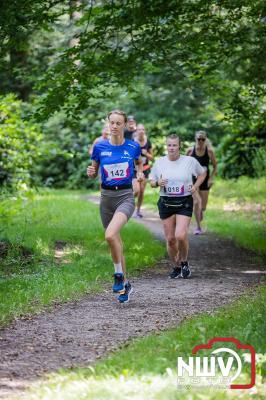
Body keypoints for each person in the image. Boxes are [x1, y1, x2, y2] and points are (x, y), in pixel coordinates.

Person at [87, 110, 144, 303]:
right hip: (106, 199)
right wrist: (91, 172)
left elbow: (139, 164)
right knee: (115, 241)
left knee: (110, 235)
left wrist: (139, 175)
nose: (114, 126)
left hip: (125, 197)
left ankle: (118, 275)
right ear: (108, 123)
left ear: (125, 125)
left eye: (118, 123)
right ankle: (126, 285)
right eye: (112, 122)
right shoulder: (99, 146)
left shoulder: (133, 146)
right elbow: (94, 171)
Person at [150, 134, 206, 279]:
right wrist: (158, 183)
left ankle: (184, 263)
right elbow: (151, 181)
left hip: (184, 201)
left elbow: (202, 173)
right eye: (169, 145)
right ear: (166, 146)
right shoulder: (160, 162)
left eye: (174, 145)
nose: (172, 148)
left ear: (179, 146)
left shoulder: (189, 161)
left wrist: (195, 186)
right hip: (166, 202)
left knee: (180, 235)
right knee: (170, 239)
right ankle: (176, 267)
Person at [186, 130, 217, 235]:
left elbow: (215, 166)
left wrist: (211, 179)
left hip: (205, 180)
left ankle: (201, 211)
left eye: (203, 139)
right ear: (195, 139)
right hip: (193, 179)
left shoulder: (209, 151)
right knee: (196, 202)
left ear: (205, 139)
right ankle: (198, 227)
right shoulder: (190, 151)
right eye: (199, 139)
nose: (200, 141)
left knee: (203, 206)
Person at [133, 123, 153, 218]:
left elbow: (152, 157)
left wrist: (146, 154)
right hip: (134, 169)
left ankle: (138, 211)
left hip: (145, 169)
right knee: (136, 190)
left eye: (143, 130)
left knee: (141, 191)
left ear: (144, 131)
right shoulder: (133, 142)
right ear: (136, 132)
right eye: (139, 130)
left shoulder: (148, 142)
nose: (141, 131)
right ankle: (128, 205)